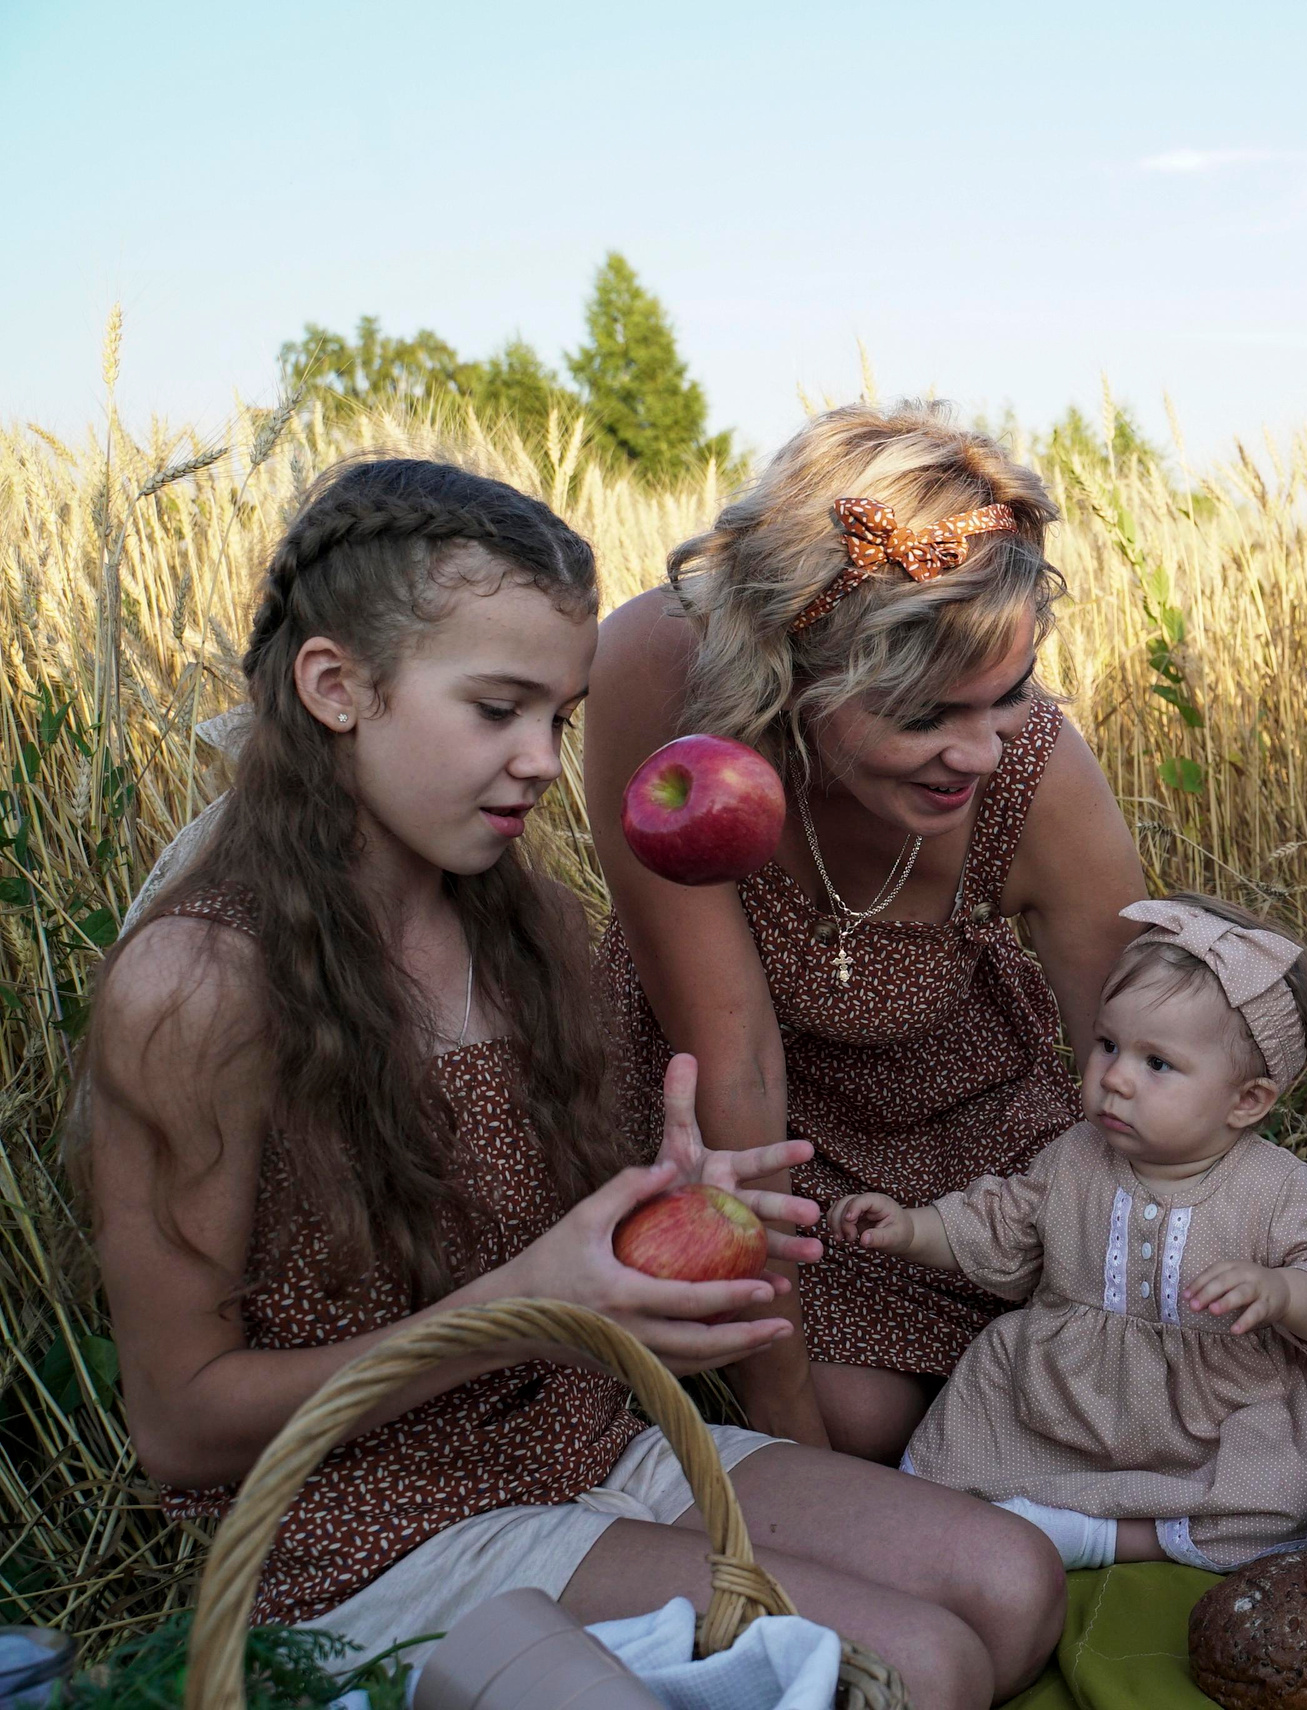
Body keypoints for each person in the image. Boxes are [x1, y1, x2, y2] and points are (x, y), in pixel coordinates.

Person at [73, 459, 1063, 1710]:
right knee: (918, 1671)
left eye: (562, 716)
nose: (543, 763)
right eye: (496, 710)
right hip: (368, 1530)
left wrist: (671, 1222)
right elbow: (181, 1425)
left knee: (1016, 1582)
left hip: (588, 1440)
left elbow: (544, 1251)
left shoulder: (520, 924)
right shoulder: (202, 987)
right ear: (337, 688)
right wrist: (528, 1303)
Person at [589, 404, 1150, 1463]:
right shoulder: (659, 679)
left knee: (1070, 1387)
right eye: (924, 714)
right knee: (854, 1423)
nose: (980, 752)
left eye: (1010, 695)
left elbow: (1146, 1088)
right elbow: (734, 1056)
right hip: (754, 1134)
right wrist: (788, 1428)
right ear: (787, 675)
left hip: (961, 1126)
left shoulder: (1039, 779)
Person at [836, 895, 1307, 1572]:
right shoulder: (1076, 1156)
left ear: (1247, 1101)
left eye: (1157, 1063)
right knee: (978, 1403)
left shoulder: (1272, 1187)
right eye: (1107, 1044)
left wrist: (1282, 1291)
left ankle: (1107, 1539)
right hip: (1070, 1401)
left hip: (1214, 1421)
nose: (1116, 1077)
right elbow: (1000, 1226)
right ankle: (979, 1518)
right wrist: (911, 1228)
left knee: (1287, 1492)